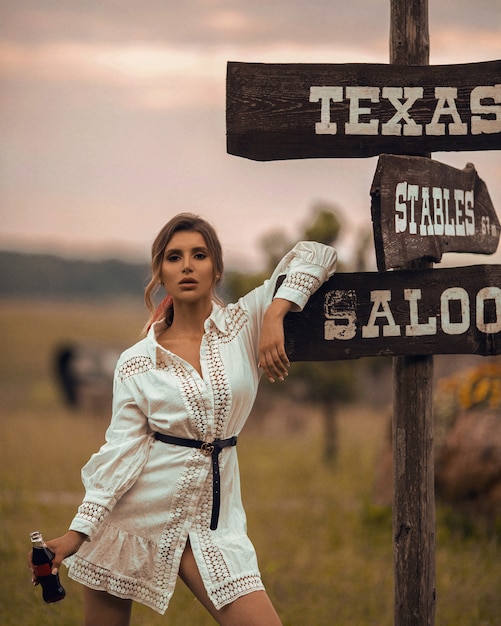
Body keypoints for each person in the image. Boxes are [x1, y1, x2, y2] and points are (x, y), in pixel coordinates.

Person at [31, 213, 337, 625]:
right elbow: (120, 452)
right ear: (160, 272)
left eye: (199, 255)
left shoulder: (242, 324)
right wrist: (77, 533)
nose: (188, 265)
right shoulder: (137, 362)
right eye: (174, 257)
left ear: (217, 269)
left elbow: (318, 253)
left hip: (216, 525)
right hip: (131, 519)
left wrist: (275, 313)